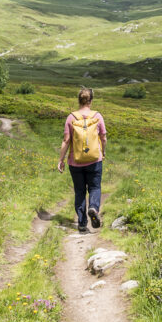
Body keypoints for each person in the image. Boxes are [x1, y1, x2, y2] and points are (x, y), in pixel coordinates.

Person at [57, 87, 106, 233]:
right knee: (95, 187)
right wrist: (103, 152)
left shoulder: (71, 117)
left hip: (75, 162)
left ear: (79, 100)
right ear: (91, 100)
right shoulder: (97, 116)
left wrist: (61, 159)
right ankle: (93, 207)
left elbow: (66, 140)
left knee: (79, 191)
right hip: (94, 160)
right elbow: (103, 137)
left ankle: (82, 223)